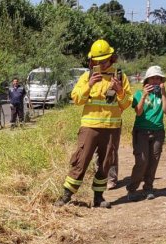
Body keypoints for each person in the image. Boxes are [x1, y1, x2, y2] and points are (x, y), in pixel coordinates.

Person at [56, 39, 132, 209]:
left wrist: (119, 90)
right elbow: (76, 99)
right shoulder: (87, 76)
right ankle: (66, 196)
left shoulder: (120, 76)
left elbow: (126, 104)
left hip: (111, 128)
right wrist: (89, 85)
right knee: (80, 161)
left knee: (106, 163)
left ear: (111, 58)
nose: (100, 64)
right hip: (90, 127)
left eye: (103, 61)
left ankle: (98, 197)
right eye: (96, 61)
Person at [127, 65, 166, 199]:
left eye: (158, 78)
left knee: (154, 161)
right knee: (142, 161)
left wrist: (164, 93)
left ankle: (148, 187)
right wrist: (144, 95)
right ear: (147, 81)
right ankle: (132, 188)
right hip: (141, 131)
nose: (156, 81)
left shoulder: (161, 94)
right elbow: (138, 111)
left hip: (158, 131)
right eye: (153, 78)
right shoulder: (139, 94)